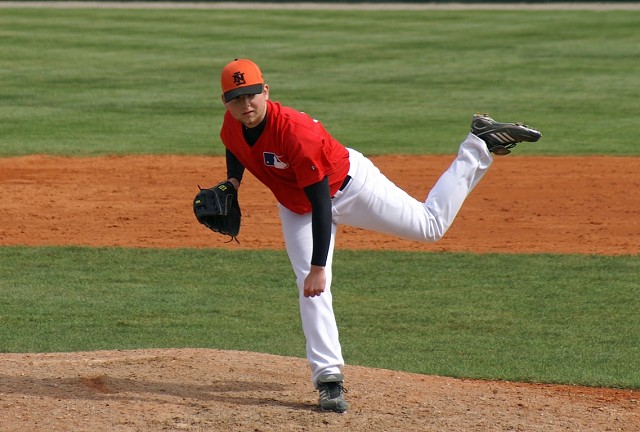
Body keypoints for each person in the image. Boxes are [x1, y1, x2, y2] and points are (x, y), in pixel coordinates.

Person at [215, 58, 541, 413]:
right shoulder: (234, 123)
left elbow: (321, 203)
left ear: (266, 91)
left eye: (251, 94)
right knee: (309, 288)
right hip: (297, 207)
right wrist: (233, 182)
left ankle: (478, 143)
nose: (246, 105)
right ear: (225, 102)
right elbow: (236, 146)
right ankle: (328, 379)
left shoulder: (294, 131)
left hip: (351, 188)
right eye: (236, 98)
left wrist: (320, 266)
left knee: (429, 226)